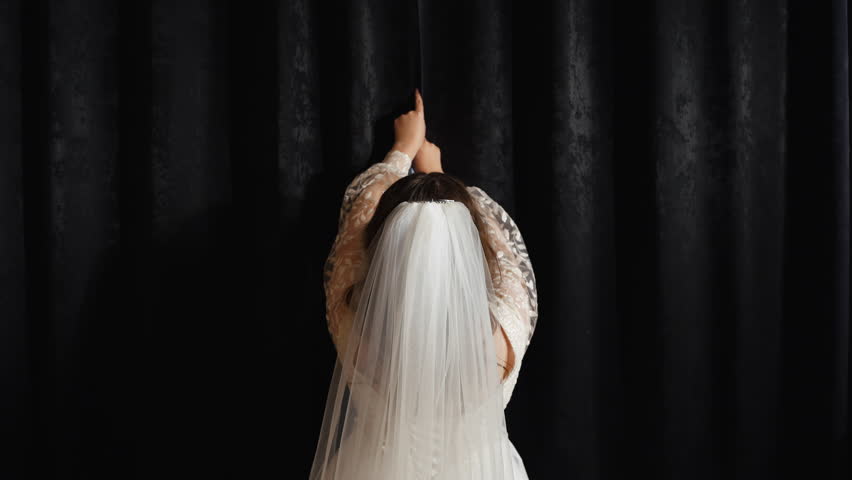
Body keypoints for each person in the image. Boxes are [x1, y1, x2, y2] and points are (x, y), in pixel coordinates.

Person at [309, 88, 539, 479]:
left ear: (380, 247)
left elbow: (356, 221)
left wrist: (402, 151)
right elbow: (506, 251)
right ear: (469, 244)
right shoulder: (506, 334)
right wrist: (438, 173)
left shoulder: (355, 329)